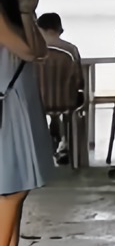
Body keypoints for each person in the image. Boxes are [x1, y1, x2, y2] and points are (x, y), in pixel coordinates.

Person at [0, 0, 53, 246]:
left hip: (24, 102)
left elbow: (42, 49)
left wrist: (30, 15)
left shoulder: (20, 19)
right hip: (8, 105)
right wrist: (24, 13)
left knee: (23, 182)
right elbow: (27, 52)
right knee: (11, 187)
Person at [35, 14, 83, 166]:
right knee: (76, 96)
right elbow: (79, 81)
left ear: (39, 29)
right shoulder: (71, 49)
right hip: (67, 101)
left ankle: (47, 141)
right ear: (59, 30)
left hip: (38, 100)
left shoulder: (33, 49)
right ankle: (68, 143)